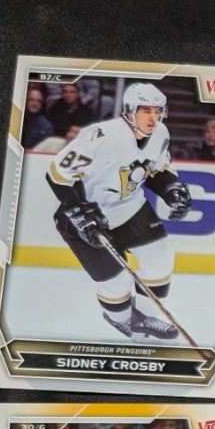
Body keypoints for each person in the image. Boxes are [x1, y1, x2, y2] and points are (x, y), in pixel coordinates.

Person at [44, 82, 194, 343]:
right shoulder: (101, 136)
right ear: (129, 111)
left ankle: (146, 319)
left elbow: (156, 170)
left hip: (130, 208)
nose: (153, 117)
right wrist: (78, 211)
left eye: (157, 111)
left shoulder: (160, 133)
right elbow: (57, 175)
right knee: (116, 281)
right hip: (87, 216)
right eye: (146, 110)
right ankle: (121, 318)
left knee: (160, 258)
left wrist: (171, 189)